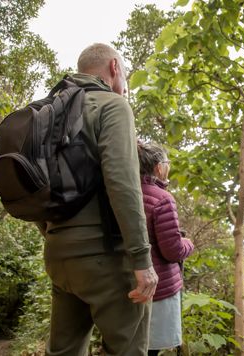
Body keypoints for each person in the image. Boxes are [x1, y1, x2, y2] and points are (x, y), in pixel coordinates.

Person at [38, 43, 158, 355]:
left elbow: (33, 181)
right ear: (115, 68)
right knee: (127, 349)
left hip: (59, 256)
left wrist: (54, 234)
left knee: (63, 351)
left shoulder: (48, 111)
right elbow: (123, 183)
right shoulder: (111, 106)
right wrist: (142, 260)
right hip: (105, 257)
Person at [137, 143, 194, 356]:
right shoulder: (162, 198)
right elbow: (172, 251)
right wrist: (188, 243)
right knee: (151, 349)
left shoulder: (122, 193)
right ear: (159, 167)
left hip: (125, 283)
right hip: (157, 288)